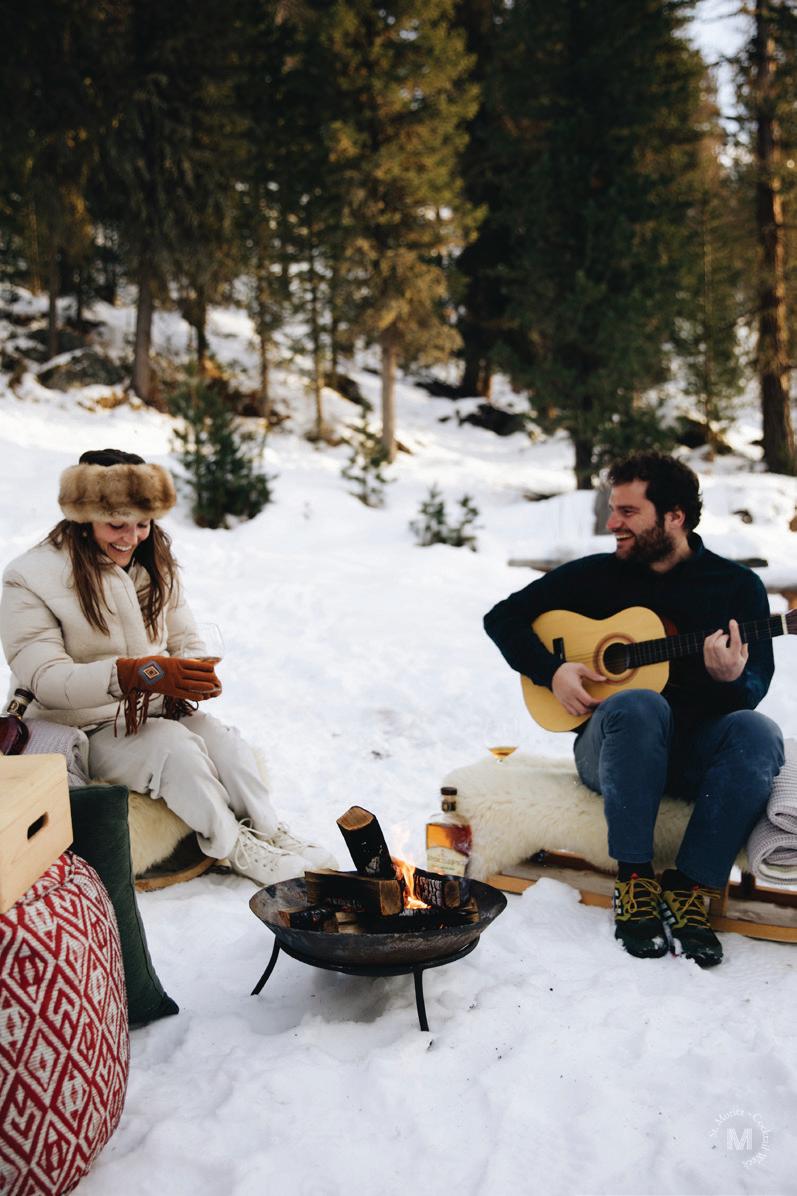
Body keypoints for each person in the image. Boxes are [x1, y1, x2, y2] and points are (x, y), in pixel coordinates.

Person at [484, 451, 784, 967]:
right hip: (610, 753)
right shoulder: (597, 576)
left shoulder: (736, 588)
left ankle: (691, 887)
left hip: (692, 756)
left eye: (627, 511)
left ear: (675, 517)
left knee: (758, 731)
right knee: (641, 703)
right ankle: (635, 881)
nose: (612, 523)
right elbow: (503, 617)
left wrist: (731, 679)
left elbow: (754, 685)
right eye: (612, 509)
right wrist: (551, 671)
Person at [0, 448, 334, 886]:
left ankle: (269, 831)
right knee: (175, 750)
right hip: (80, 728)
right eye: (117, 524)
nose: (131, 537)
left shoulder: (153, 561)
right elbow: (47, 679)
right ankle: (233, 846)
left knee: (226, 744)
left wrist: (191, 673)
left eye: (143, 524)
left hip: (152, 711)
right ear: (84, 518)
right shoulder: (29, 577)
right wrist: (131, 674)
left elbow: (186, 638)